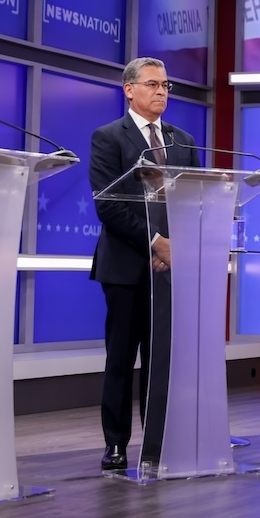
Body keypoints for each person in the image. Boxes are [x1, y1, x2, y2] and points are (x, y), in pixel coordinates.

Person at [89, 57, 199, 470]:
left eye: (166, 85)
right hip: (126, 267)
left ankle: (160, 441)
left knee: (162, 360)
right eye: (152, 84)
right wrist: (156, 243)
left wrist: (179, 247)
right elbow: (109, 204)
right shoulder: (109, 137)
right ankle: (115, 443)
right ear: (129, 89)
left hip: (171, 269)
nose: (161, 92)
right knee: (121, 358)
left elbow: (194, 199)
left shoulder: (183, 140)